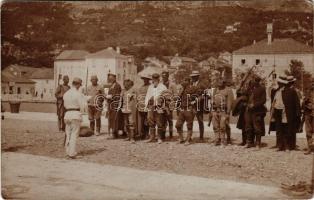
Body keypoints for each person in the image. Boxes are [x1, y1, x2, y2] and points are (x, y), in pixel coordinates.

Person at [63, 77, 85, 159]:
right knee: (74, 135)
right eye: (79, 85)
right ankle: (72, 153)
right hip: (75, 114)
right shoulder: (78, 94)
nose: (79, 87)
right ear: (78, 84)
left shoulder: (66, 94)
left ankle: (68, 151)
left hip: (67, 114)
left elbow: (65, 105)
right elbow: (83, 106)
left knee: (68, 134)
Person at [244, 76, 267, 148]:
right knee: (248, 127)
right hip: (248, 110)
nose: (255, 82)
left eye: (257, 81)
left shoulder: (262, 89)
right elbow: (245, 96)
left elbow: (263, 100)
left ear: (259, 81)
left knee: (257, 127)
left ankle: (257, 143)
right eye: (254, 81)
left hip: (257, 111)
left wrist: (254, 105)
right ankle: (249, 142)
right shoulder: (249, 88)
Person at [145, 73, 167, 144]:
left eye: (156, 78)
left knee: (159, 121)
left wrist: (161, 103)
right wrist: (146, 105)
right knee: (150, 120)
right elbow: (147, 96)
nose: (154, 80)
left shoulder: (163, 87)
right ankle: (152, 137)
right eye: (153, 79)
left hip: (159, 106)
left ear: (158, 79)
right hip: (151, 106)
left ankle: (159, 138)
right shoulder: (150, 87)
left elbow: (166, 96)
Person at [212, 79, 234, 146]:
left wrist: (228, 112)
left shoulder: (228, 90)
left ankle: (224, 140)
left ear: (224, 83)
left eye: (220, 83)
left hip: (224, 111)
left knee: (223, 126)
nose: (219, 84)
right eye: (218, 83)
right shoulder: (215, 90)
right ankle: (217, 139)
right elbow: (213, 99)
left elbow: (230, 102)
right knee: (215, 126)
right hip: (216, 110)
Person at [175, 77, 197, 145]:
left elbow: (201, 95)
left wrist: (195, 101)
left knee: (189, 125)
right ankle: (181, 139)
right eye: (183, 80)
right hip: (182, 109)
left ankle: (188, 140)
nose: (183, 82)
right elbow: (178, 99)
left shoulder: (193, 88)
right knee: (178, 125)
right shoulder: (182, 89)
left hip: (189, 108)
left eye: (185, 81)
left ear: (189, 81)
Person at [190, 70, 206, 140]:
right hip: (191, 106)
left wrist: (196, 100)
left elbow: (204, 95)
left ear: (198, 77)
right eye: (192, 77)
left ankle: (201, 136)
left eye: (194, 77)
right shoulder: (190, 84)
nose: (193, 78)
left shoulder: (202, 85)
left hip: (199, 106)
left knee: (200, 121)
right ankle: (189, 136)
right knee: (190, 121)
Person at [106, 73, 122, 139]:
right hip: (110, 104)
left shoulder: (117, 85)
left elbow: (117, 95)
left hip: (115, 104)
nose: (110, 80)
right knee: (111, 119)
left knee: (115, 119)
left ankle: (114, 133)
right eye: (109, 79)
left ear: (115, 78)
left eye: (112, 78)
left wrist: (111, 97)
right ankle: (112, 132)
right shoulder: (111, 85)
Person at [161, 70, 176, 139]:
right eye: (162, 76)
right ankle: (163, 134)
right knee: (162, 119)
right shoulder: (160, 84)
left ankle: (170, 134)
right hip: (162, 103)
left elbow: (175, 95)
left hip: (169, 103)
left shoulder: (172, 84)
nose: (163, 77)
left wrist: (172, 102)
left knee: (169, 119)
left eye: (165, 76)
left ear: (167, 76)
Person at [136, 74, 151, 140]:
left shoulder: (150, 87)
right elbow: (139, 95)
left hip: (147, 105)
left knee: (147, 120)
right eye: (144, 79)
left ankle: (147, 134)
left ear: (148, 80)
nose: (145, 80)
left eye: (146, 79)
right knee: (141, 120)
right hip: (141, 106)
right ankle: (142, 134)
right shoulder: (141, 87)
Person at [303, 80, 314, 155]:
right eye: (312, 83)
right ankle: (309, 148)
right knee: (308, 131)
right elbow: (303, 103)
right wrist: (308, 105)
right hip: (308, 114)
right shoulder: (307, 91)